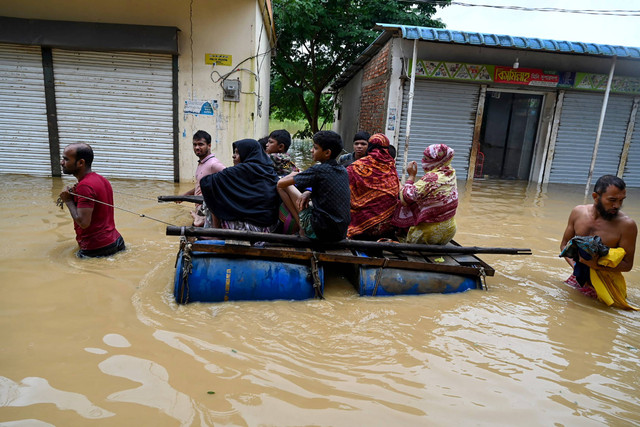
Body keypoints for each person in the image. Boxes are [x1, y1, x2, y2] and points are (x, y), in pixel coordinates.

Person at [560, 175, 637, 309]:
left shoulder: (627, 225)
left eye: (621, 200)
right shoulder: (578, 212)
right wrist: (576, 267)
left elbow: (627, 264)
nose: (617, 205)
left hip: (607, 286)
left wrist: (596, 266)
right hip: (577, 278)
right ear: (596, 197)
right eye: (612, 200)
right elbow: (564, 245)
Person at [277, 130, 350, 242]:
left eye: (315, 148)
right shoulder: (343, 170)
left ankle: (301, 226)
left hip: (322, 232)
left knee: (282, 187)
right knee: (307, 200)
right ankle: (303, 226)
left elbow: (281, 183)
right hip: (340, 232)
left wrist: (294, 173)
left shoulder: (318, 170)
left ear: (327, 153)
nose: (311, 150)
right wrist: (308, 192)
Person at [58, 143, 125, 257]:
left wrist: (68, 200)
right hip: (116, 241)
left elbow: (83, 223)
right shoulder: (101, 179)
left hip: (96, 248)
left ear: (80, 163)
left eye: (66, 159)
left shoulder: (85, 186)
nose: (62, 162)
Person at [200, 139, 279, 232]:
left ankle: (215, 231)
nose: (233, 156)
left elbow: (205, 182)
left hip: (248, 229)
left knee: (212, 189)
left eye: (237, 153)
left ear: (247, 154)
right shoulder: (270, 171)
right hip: (269, 227)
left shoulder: (240, 170)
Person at [392, 144, 458, 245]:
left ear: (436, 161)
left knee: (400, 203)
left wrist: (411, 176)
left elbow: (406, 197)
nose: (423, 161)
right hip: (449, 232)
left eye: (426, 158)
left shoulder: (432, 178)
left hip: (427, 236)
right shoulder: (450, 173)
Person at [346, 133, 399, 240]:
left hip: (360, 225)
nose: (359, 146)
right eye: (357, 144)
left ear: (369, 146)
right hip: (387, 227)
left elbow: (344, 192)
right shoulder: (391, 167)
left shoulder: (355, 167)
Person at [180, 130, 225, 226]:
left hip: (207, 210)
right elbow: (200, 186)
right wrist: (185, 195)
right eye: (194, 145)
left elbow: (230, 179)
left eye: (201, 144)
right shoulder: (202, 163)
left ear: (209, 146)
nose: (197, 147)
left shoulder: (214, 164)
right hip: (200, 208)